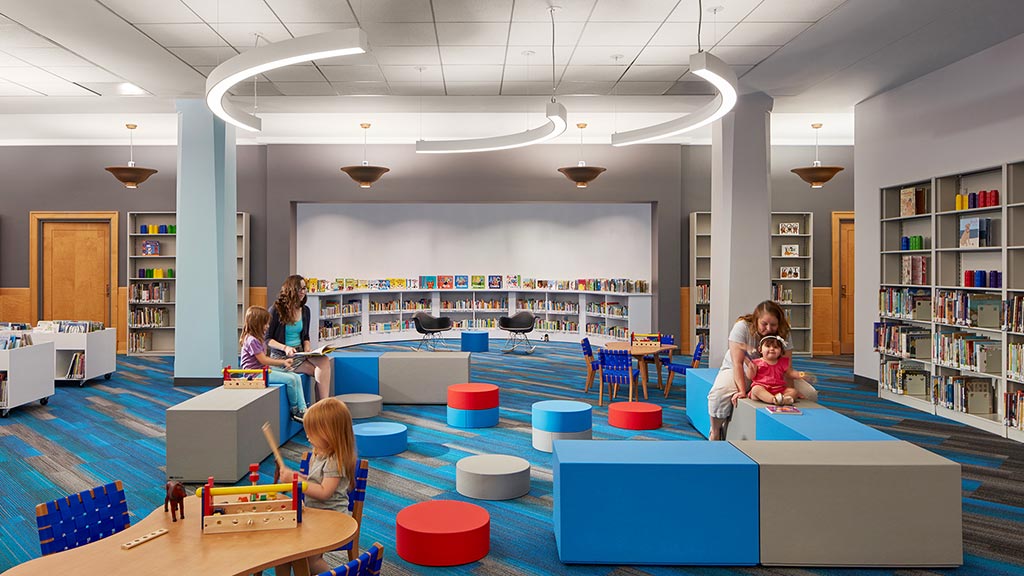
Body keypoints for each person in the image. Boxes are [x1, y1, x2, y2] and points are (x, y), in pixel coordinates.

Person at [706, 300, 818, 440]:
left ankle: (796, 432)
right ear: (756, 320)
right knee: (719, 394)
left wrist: (790, 390)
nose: (769, 328)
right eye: (764, 324)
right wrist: (741, 390)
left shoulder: (784, 332)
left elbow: (787, 366)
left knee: (810, 393)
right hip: (745, 369)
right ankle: (715, 431)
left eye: (773, 325)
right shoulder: (742, 327)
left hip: (773, 373)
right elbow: (738, 363)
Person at [278, 397, 357, 574]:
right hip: (315, 513)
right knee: (283, 551)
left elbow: (324, 492)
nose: (307, 436)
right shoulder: (319, 453)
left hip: (332, 517)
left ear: (329, 433)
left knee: (311, 560)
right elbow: (315, 481)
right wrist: (298, 477)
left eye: (312, 432)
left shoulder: (336, 460)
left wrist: (299, 482)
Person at [267, 275, 333, 403]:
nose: (303, 292)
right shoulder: (275, 310)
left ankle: (323, 405)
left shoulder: (305, 311)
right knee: (319, 373)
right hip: (283, 357)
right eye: (300, 289)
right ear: (291, 290)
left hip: (301, 353)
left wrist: (308, 347)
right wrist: (285, 348)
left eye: (304, 288)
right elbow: (267, 339)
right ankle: (322, 406)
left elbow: (305, 336)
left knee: (324, 361)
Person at [240, 306, 308, 422]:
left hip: (263, 370)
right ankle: (295, 410)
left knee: (295, 377)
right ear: (257, 323)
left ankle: (303, 409)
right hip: (255, 374)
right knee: (290, 380)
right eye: (265, 324)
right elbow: (263, 360)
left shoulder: (257, 338)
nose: (267, 326)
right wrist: (283, 362)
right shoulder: (251, 340)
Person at [745, 335, 800, 406]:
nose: (772, 349)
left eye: (776, 347)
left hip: (779, 389)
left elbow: (790, 373)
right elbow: (750, 376)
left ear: (781, 351)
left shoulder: (782, 362)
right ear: (760, 349)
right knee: (756, 389)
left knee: (794, 391)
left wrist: (801, 375)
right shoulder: (756, 362)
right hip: (762, 387)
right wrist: (750, 368)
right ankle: (774, 400)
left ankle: (783, 399)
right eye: (768, 346)